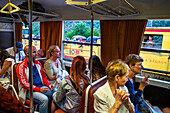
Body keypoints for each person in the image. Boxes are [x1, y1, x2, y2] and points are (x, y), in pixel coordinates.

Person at [16, 45, 55, 113]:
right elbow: (24, 83)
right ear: (27, 53)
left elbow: (43, 77)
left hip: (40, 86)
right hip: (29, 91)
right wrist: (39, 89)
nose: (36, 53)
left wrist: (49, 84)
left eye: (36, 51)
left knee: (56, 92)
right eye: (34, 52)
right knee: (44, 99)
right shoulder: (21, 66)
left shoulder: (38, 64)